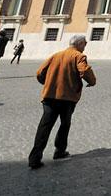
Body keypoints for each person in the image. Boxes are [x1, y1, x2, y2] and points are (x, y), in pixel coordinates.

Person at [28, 34, 96, 169]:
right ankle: (59, 151)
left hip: (49, 96)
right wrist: (92, 81)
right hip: (67, 98)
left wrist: (48, 83)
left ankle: (34, 158)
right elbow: (85, 70)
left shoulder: (56, 55)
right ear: (79, 44)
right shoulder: (78, 56)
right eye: (85, 43)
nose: (86, 45)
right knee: (65, 124)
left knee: (44, 126)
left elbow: (40, 72)